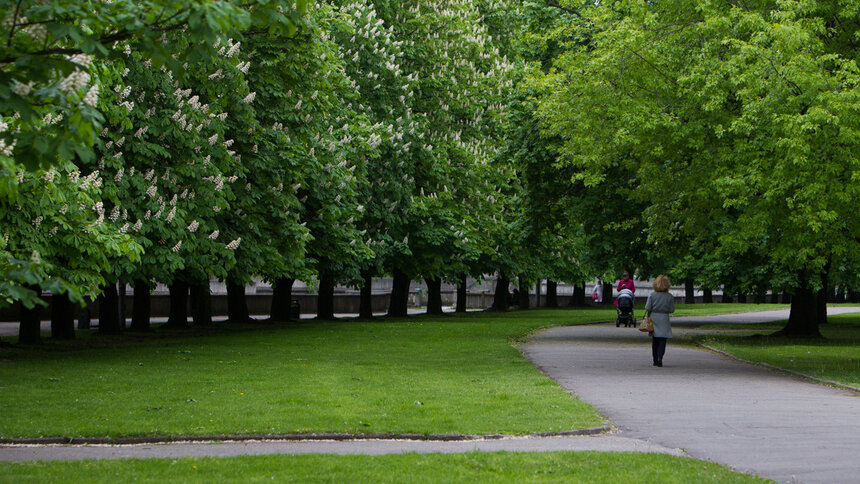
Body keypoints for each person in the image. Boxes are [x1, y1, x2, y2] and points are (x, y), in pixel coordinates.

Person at [645, 274, 675, 367]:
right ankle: (660, 357)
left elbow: (647, 307)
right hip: (664, 318)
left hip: (654, 318)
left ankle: (655, 359)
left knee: (655, 340)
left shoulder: (652, 295)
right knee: (663, 340)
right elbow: (671, 310)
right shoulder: (669, 296)